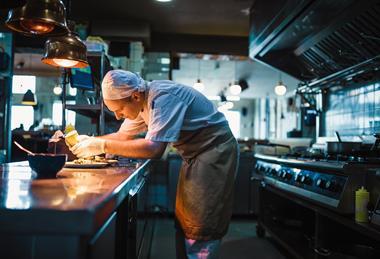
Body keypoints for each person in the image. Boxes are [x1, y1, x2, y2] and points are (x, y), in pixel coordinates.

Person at [70, 70, 239, 258]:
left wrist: (101, 144)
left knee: (202, 222)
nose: (118, 116)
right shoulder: (141, 103)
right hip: (195, 156)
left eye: (119, 110)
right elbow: (122, 136)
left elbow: (154, 149)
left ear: (135, 96)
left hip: (214, 152)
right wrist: (87, 142)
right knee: (187, 219)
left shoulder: (162, 98)